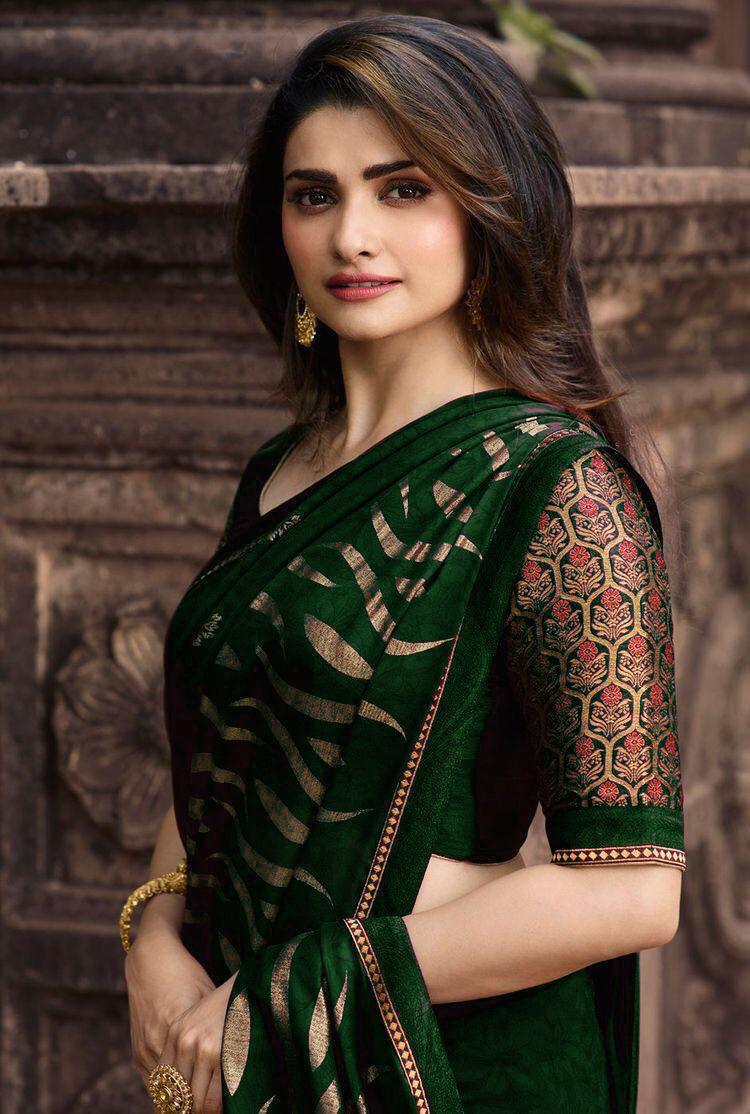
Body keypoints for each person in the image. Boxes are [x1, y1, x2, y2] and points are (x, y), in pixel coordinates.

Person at [123, 14, 686, 1113]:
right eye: (315, 195)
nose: (351, 237)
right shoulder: (285, 470)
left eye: (405, 189)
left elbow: (634, 893)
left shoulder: (558, 489)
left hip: (452, 1066)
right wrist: (152, 928)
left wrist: (293, 990)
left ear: (492, 207)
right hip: (238, 1051)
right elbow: (227, 733)